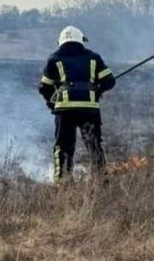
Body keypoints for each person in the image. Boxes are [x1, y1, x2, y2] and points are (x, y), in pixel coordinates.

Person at [38, 26, 116, 182]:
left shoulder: (54, 59)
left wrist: (52, 104)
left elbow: (44, 87)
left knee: (63, 146)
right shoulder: (94, 58)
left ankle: (62, 181)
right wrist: (97, 91)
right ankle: (101, 179)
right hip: (89, 110)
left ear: (61, 41)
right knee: (94, 144)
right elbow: (109, 81)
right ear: (81, 40)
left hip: (65, 111)